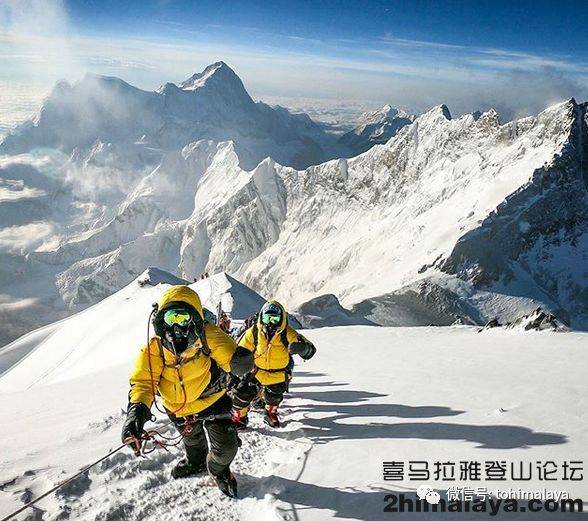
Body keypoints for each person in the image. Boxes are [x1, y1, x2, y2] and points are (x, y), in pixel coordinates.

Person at [121, 285, 253, 497]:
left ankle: (218, 469)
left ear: (194, 318)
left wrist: (241, 367)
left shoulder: (207, 334)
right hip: (179, 410)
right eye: (170, 318)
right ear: (160, 318)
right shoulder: (154, 348)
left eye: (182, 318)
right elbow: (144, 382)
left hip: (212, 400)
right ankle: (196, 462)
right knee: (193, 442)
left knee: (226, 448)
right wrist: (136, 412)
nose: (175, 326)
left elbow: (228, 354)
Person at [231, 301, 316, 428]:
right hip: (256, 371)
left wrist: (303, 348)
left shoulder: (288, 333)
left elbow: (310, 350)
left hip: (278, 374)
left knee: (274, 397)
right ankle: (240, 417)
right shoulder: (254, 332)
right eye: (267, 318)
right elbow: (241, 349)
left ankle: (270, 412)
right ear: (261, 317)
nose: (270, 322)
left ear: (281, 319)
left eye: (274, 318)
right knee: (241, 393)